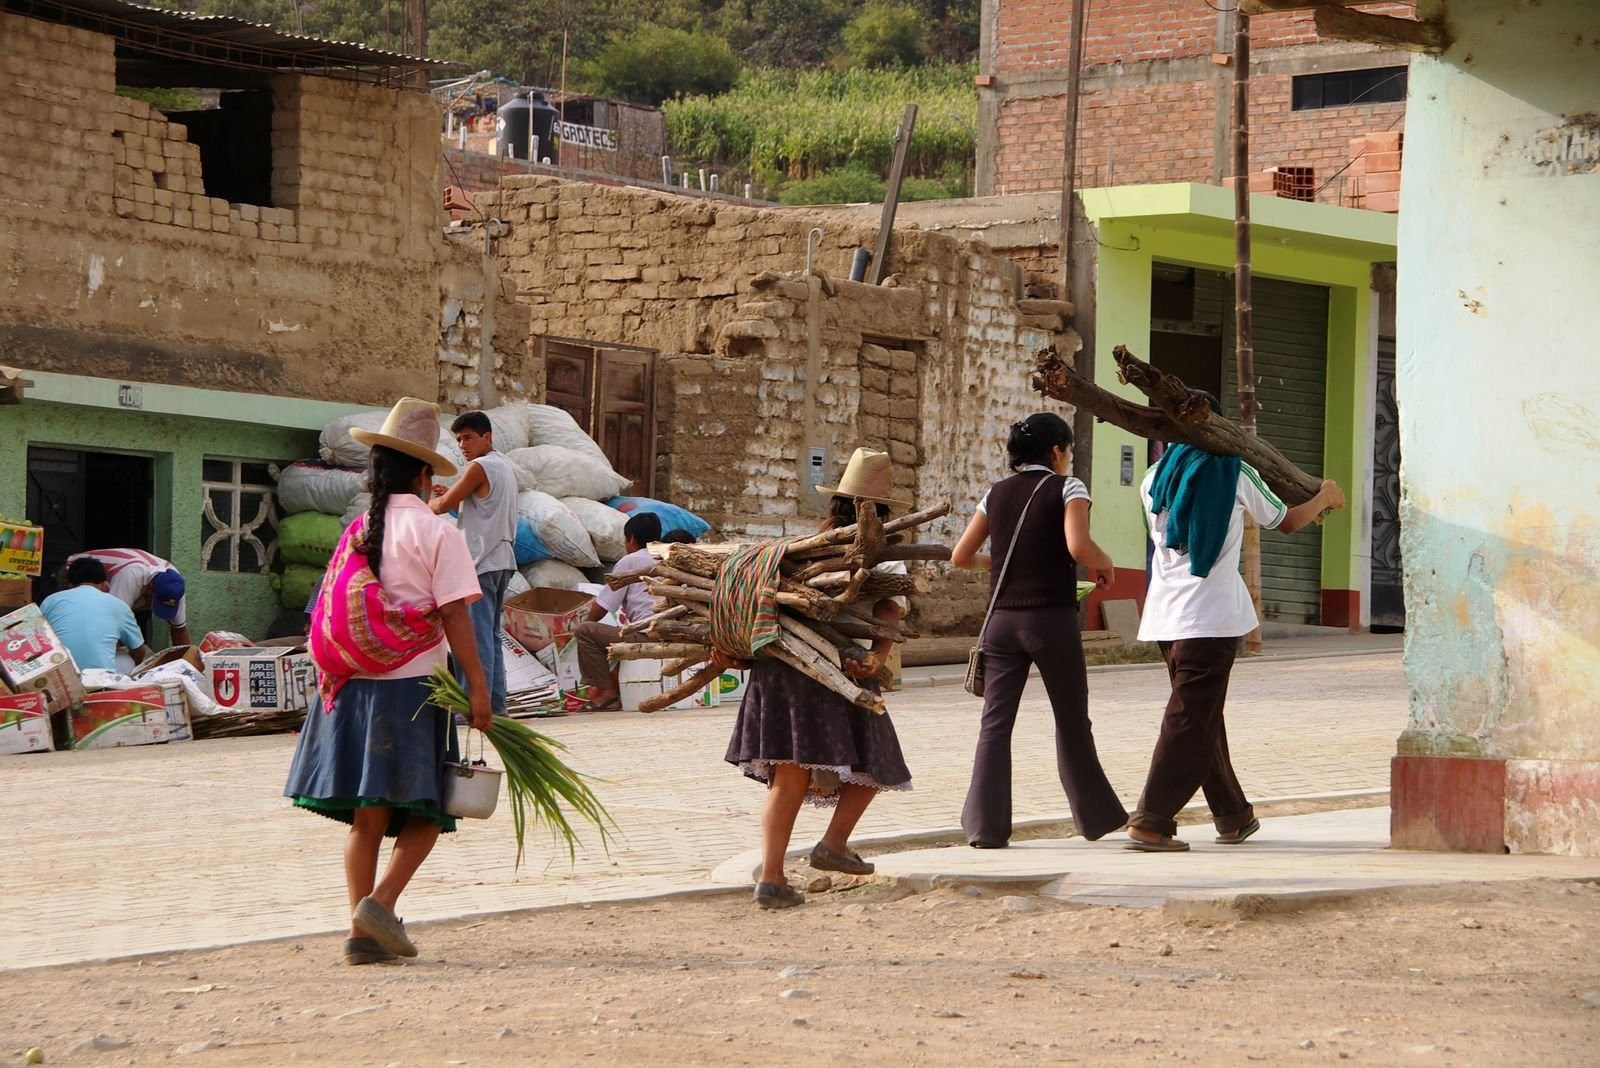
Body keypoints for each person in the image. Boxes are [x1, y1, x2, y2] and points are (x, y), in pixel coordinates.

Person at [283, 397, 492, 966]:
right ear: (425, 474)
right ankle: (382, 903)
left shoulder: (358, 530)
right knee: (427, 813)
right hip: (414, 690)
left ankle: (360, 933)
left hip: (351, 687)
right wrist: (478, 689)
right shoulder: (438, 531)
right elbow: (455, 615)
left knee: (367, 817)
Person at [1126, 394, 1347, 852]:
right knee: (1190, 720)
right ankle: (1151, 820)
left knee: (1202, 717)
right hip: (1210, 615)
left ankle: (1233, 816)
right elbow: (1285, 521)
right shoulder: (1235, 473)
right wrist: (1324, 496)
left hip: (1167, 617)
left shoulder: (1153, 477)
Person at [722, 447, 913, 910]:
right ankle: (832, 844)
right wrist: (875, 661)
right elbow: (888, 616)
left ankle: (772, 877)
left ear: (835, 505)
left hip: (782, 668)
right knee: (878, 762)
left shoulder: (805, 548)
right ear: (883, 511)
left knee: (788, 777)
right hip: (835, 670)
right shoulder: (884, 556)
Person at [951, 413, 1129, 849]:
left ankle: (984, 829)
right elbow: (1079, 547)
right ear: (1056, 452)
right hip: (1050, 620)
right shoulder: (1068, 486)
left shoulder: (996, 493)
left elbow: (961, 556)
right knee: (1071, 721)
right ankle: (1095, 818)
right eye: (1067, 451)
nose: (1068, 459)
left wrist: (993, 564)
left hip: (1001, 624)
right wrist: (1105, 563)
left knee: (995, 724)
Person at [430, 411, 518, 714]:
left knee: (476, 639)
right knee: (490, 637)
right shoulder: (503, 467)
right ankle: (496, 706)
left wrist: (419, 504)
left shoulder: (479, 467)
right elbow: (480, 510)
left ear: (487, 437)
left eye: (468, 437)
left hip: (481, 562)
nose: (463, 445)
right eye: (458, 440)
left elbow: (441, 506)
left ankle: (472, 706)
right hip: (501, 559)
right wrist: (454, 499)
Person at [571, 512, 663, 712]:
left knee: (586, 631)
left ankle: (606, 694)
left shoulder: (629, 562)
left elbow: (603, 606)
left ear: (631, 539)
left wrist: (584, 624)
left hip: (650, 636)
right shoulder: (668, 557)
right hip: (674, 631)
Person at [40, 556, 151, 672]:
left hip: (59, 675)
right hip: (100, 680)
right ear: (104, 585)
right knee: (125, 658)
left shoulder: (50, 601)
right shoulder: (118, 605)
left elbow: (38, 638)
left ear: (70, 584)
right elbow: (139, 649)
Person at [62, 548, 189, 646]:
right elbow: (111, 623)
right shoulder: (131, 575)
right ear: (151, 587)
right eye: (156, 601)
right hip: (76, 572)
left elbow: (179, 630)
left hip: (119, 585)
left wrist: (190, 667)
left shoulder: (175, 585)